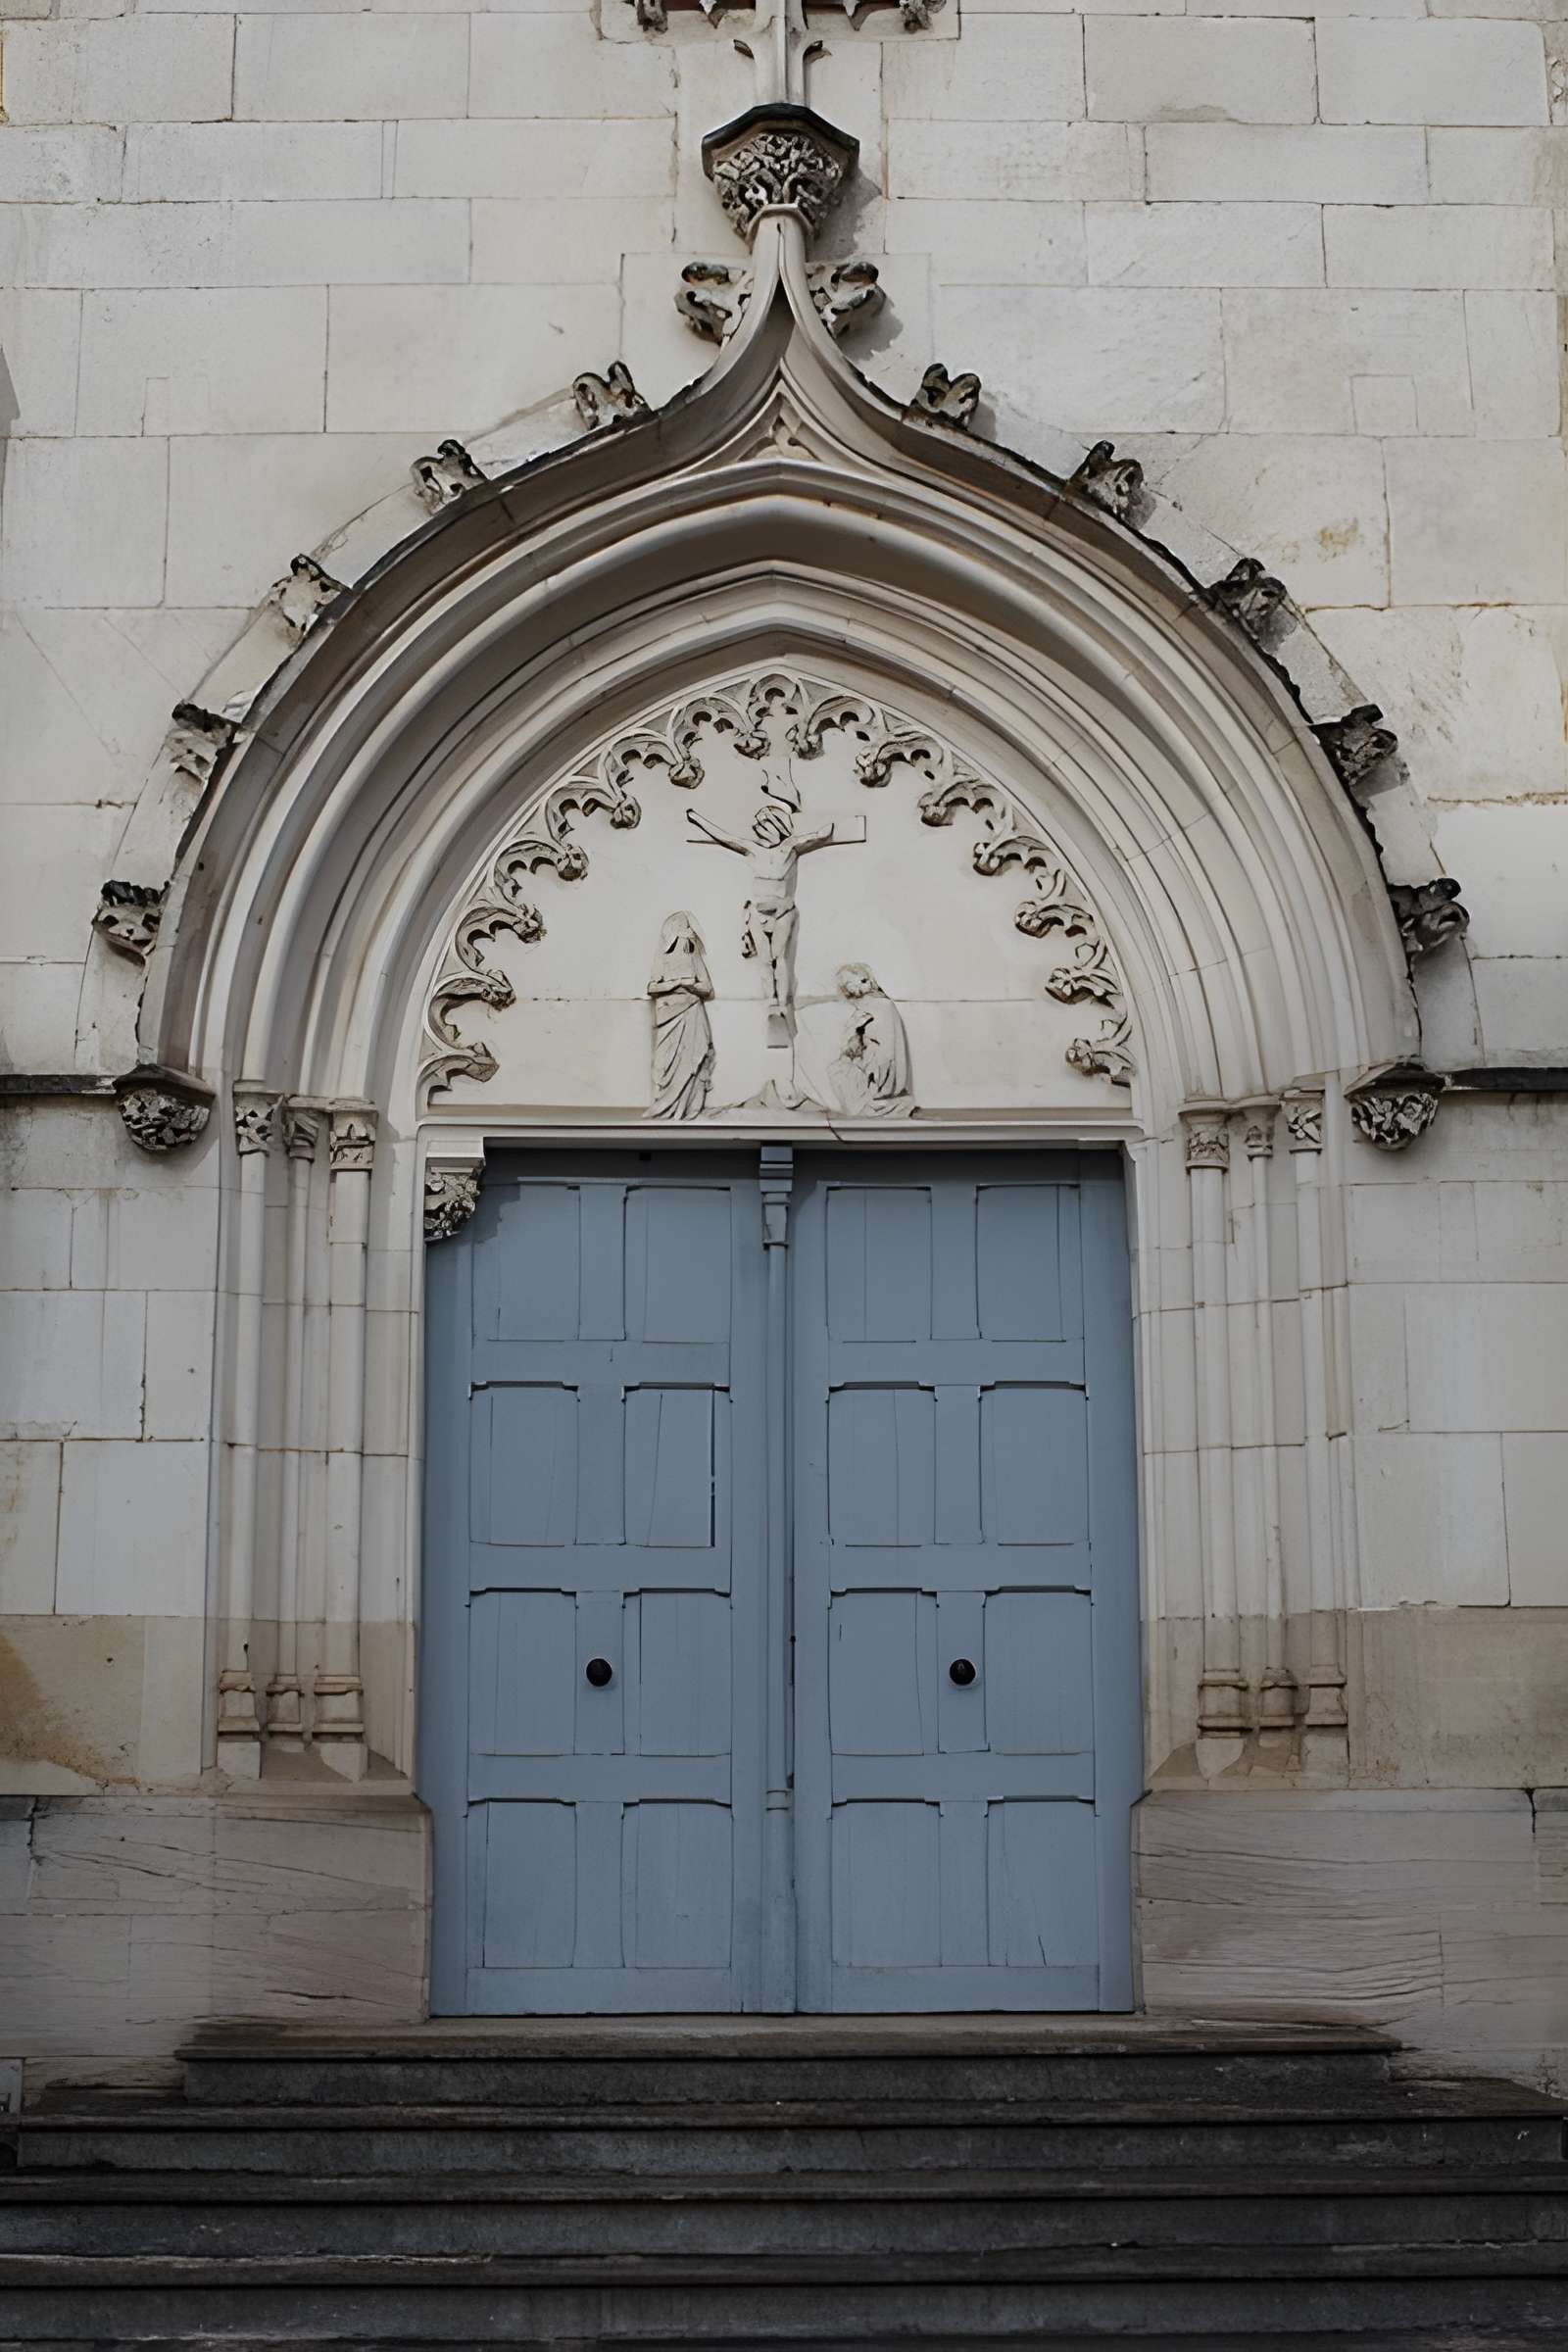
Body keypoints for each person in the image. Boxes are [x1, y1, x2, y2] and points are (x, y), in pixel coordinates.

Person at [646, 911, 714, 1120]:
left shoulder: (693, 957)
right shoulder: (663, 959)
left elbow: (707, 987)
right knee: (665, 1062)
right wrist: (675, 984)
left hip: (692, 1011)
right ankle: (665, 1105)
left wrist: (691, 987)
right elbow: (651, 986)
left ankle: (689, 1107)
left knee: (692, 1059)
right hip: (668, 1014)